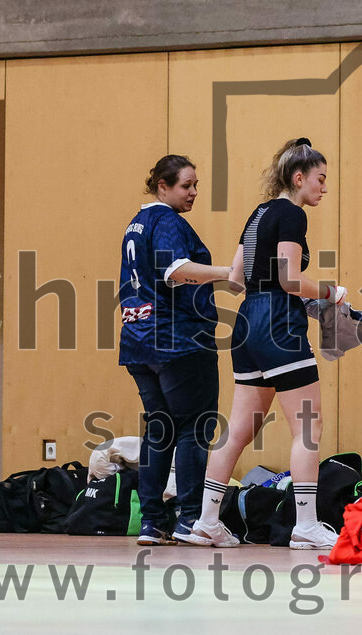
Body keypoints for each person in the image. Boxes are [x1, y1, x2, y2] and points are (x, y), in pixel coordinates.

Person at [176, 138, 347, 549]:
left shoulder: (259, 213)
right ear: (299, 177)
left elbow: (235, 277)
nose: (324, 187)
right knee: (308, 428)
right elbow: (289, 278)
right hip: (277, 326)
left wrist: (288, 293)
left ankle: (206, 521)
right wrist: (330, 292)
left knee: (237, 431)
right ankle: (306, 525)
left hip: (247, 325)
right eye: (320, 179)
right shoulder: (291, 214)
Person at [119, 155, 232, 545]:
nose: (194, 192)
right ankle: (188, 518)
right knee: (193, 428)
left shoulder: (136, 224)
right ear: (162, 186)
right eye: (186, 185)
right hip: (177, 340)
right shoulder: (167, 221)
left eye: (196, 184)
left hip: (137, 341)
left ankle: (152, 522)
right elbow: (176, 270)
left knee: (159, 429)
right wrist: (228, 274)